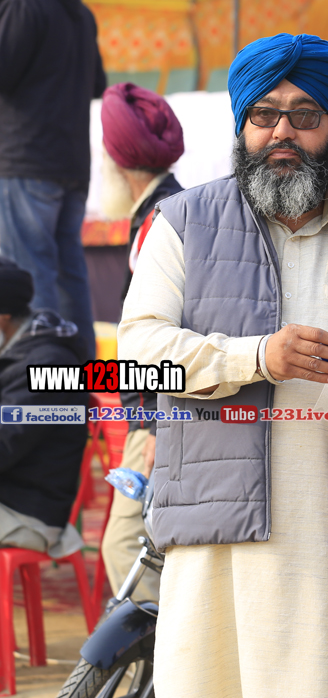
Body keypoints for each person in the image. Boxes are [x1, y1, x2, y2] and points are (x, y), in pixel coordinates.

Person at [117, 33, 328, 698]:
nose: (282, 131)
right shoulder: (182, 224)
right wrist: (257, 356)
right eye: (264, 114)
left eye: (305, 115)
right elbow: (137, 354)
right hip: (217, 548)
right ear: (243, 124)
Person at [98, 82, 186, 603]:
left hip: (160, 414)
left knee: (124, 546)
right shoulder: (168, 210)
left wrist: (154, 421)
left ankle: (156, 653)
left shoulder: (160, 220)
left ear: (116, 161)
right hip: (164, 410)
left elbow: (169, 329)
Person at [0, 0, 106, 360]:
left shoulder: (26, 2)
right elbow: (98, 83)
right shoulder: (80, 11)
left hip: (26, 159)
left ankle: (41, 375)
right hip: (72, 164)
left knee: (30, 277)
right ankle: (82, 375)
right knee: (68, 277)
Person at [0, 258, 88, 558]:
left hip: (27, 510)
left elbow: (4, 445)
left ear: (3, 316)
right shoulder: (16, 351)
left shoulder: (49, 365)